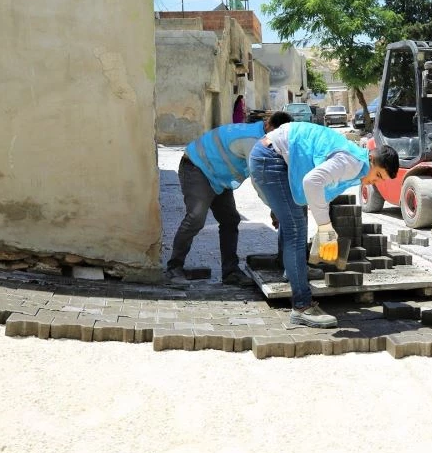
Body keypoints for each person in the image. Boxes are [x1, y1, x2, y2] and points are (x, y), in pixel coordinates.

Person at [249, 122, 399, 328]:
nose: (376, 181)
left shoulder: (356, 160)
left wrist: (323, 225)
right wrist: (325, 227)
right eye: (378, 175)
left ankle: (294, 272)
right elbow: (312, 182)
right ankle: (302, 307)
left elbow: (321, 190)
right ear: (371, 159)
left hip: (271, 155)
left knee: (296, 218)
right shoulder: (352, 163)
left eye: (382, 180)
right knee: (295, 231)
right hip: (271, 159)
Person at [165, 111, 294, 285]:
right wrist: (276, 208)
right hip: (197, 167)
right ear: (268, 126)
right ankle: (174, 268)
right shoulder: (254, 141)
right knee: (195, 218)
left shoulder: (264, 136)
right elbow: (259, 181)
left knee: (230, 220)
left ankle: (230, 272)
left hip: (219, 175)